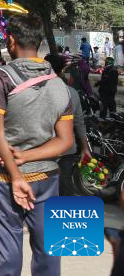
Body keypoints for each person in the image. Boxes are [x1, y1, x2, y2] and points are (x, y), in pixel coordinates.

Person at [0, 13, 74, 276]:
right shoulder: (60, 84)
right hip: (48, 178)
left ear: (11, 41)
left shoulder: (1, 76)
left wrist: (15, 171)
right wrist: (26, 156)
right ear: (40, 41)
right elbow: (65, 141)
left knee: (8, 253)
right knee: (49, 250)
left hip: (3, 178)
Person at [47, 55, 92, 195]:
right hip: (66, 148)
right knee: (64, 184)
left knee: (44, 187)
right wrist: (85, 147)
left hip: (43, 147)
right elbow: (79, 122)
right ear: (61, 70)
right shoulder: (71, 92)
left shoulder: (38, 90)